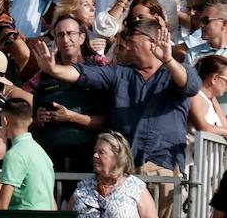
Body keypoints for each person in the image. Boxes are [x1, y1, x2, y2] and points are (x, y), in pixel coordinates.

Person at [36, 17, 200, 173]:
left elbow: (190, 86)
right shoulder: (120, 74)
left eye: (131, 42)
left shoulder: (176, 72)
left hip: (162, 166)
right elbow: (83, 74)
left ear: (152, 42)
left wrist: (169, 61)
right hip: (124, 169)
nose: (127, 47)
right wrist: (53, 70)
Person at [0, 98, 55, 210]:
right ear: (30, 120)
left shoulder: (14, 154)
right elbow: (52, 203)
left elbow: (1, 206)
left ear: (5, 120)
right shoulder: (42, 153)